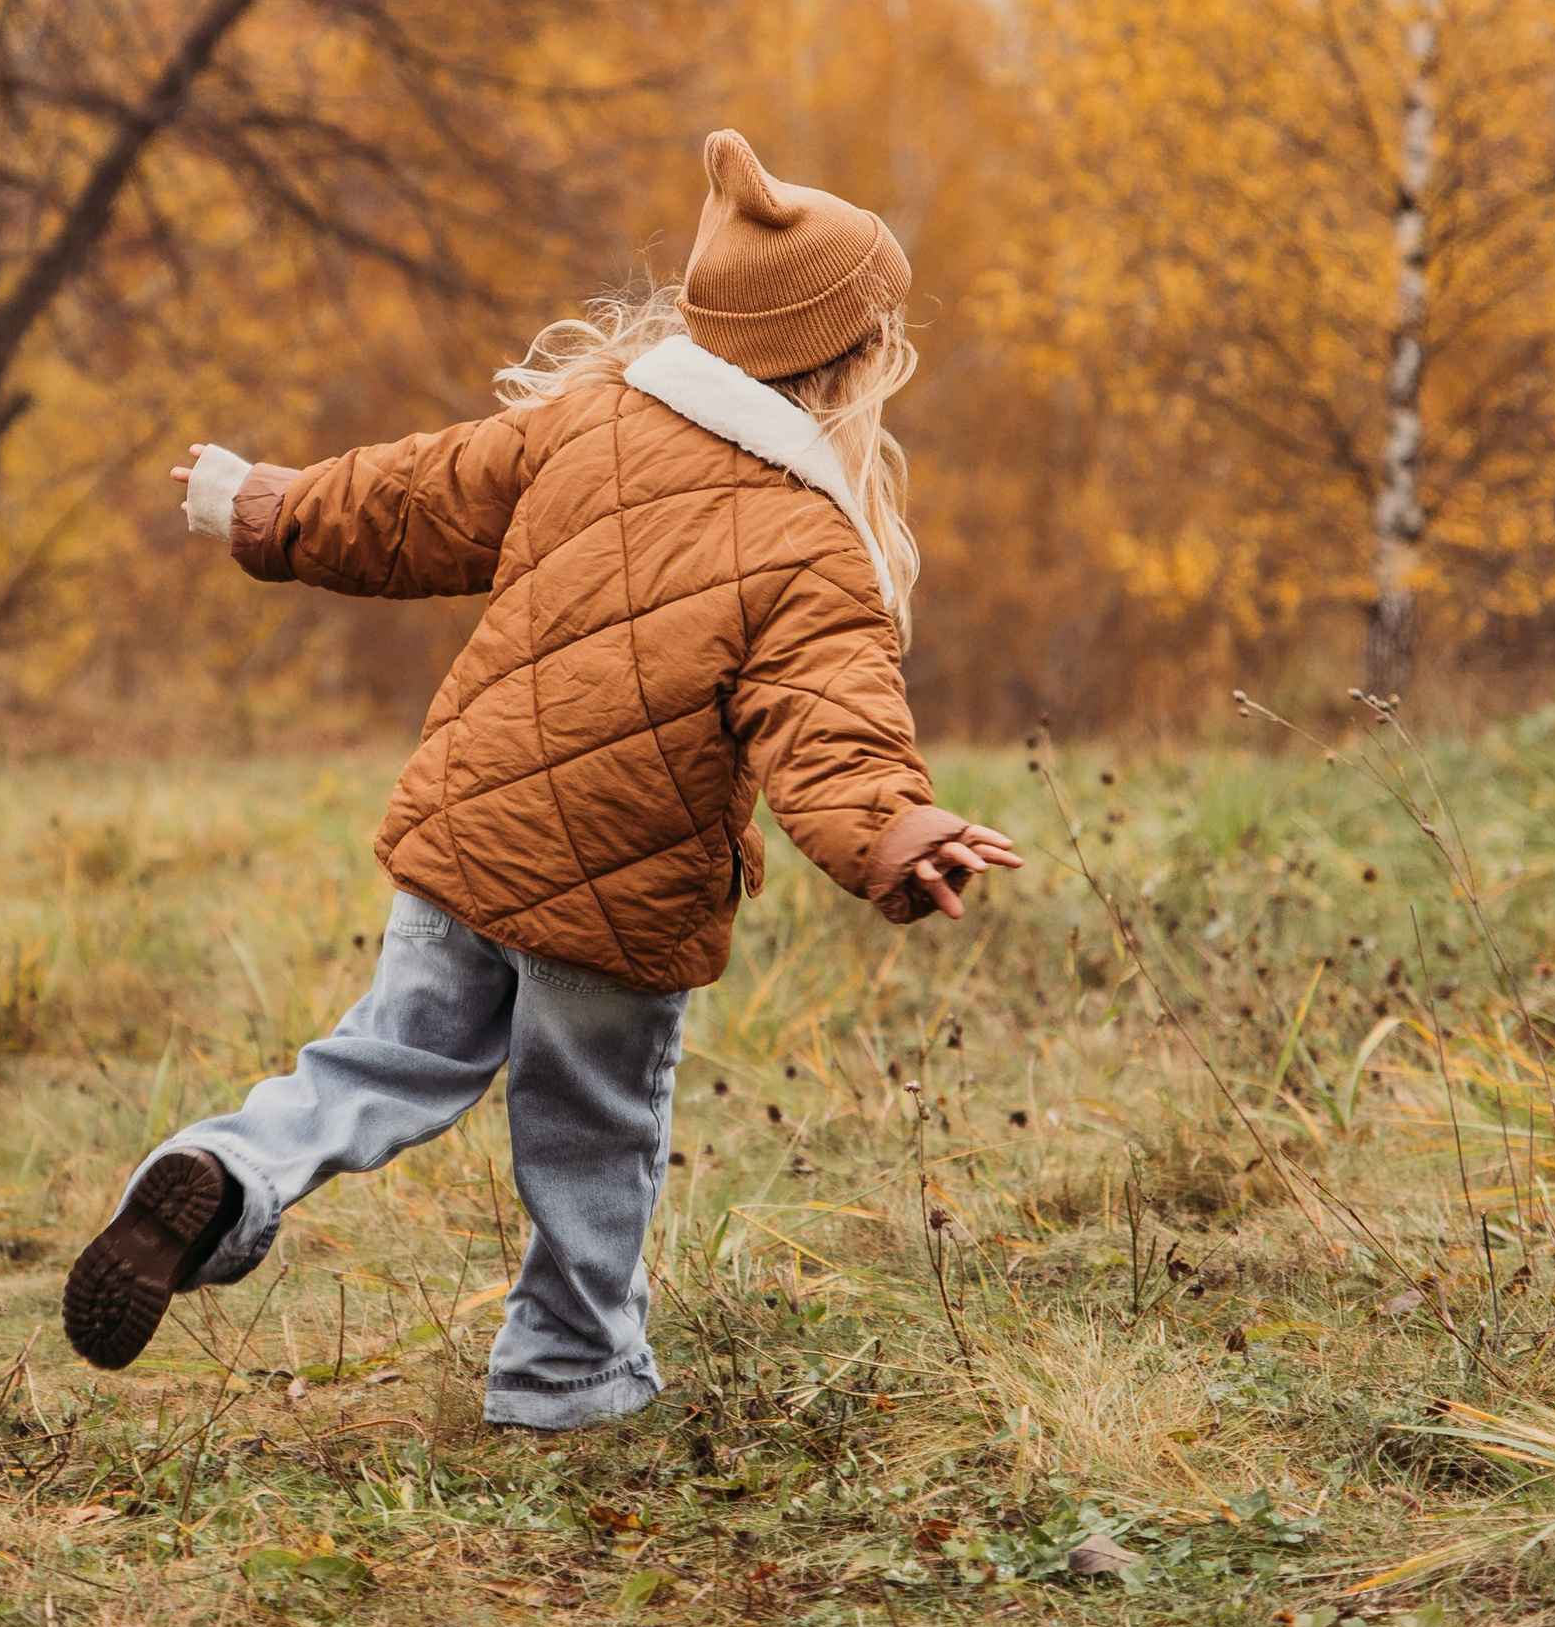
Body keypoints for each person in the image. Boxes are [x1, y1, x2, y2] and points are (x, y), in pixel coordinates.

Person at [62, 129, 1022, 1429]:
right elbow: (830, 725)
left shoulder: (595, 421)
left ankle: (227, 1168)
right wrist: (895, 828)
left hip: (467, 837)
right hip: (614, 901)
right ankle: (568, 1372)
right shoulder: (809, 543)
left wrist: (274, 509)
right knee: (590, 1140)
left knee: (375, 1062)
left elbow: (412, 499)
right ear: (852, 366)